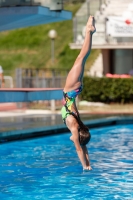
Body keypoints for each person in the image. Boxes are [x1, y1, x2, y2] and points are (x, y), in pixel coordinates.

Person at [61, 16, 96, 171]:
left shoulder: (78, 125)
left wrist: (89, 164)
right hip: (70, 89)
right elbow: (79, 149)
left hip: (75, 90)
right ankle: (89, 31)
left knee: (83, 58)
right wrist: (84, 165)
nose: (74, 139)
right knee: (81, 57)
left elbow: (83, 147)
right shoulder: (74, 128)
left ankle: (90, 31)